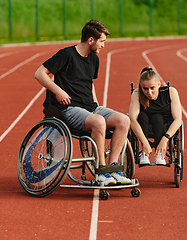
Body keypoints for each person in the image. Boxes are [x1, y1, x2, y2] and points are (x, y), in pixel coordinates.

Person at [34, 19, 131, 186]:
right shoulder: (66, 55)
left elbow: (89, 83)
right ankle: (101, 171)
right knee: (99, 122)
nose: (103, 45)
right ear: (91, 40)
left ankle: (113, 168)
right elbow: (40, 73)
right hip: (69, 109)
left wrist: (97, 105)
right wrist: (58, 91)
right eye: (102, 41)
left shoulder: (94, 59)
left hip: (90, 108)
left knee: (124, 120)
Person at [129, 66, 182, 165]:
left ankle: (160, 153)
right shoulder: (137, 94)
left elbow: (178, 120)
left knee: (157, 117)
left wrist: (165, 139)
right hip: (143, 125)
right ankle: (145, 153)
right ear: (140, 86)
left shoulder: (171, 92)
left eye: (152, 88)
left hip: (164, 126)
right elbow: (132, 119)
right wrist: (144, 142)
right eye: (145, 89)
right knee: (142, 116)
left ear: (159, 84)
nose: (149, 92)